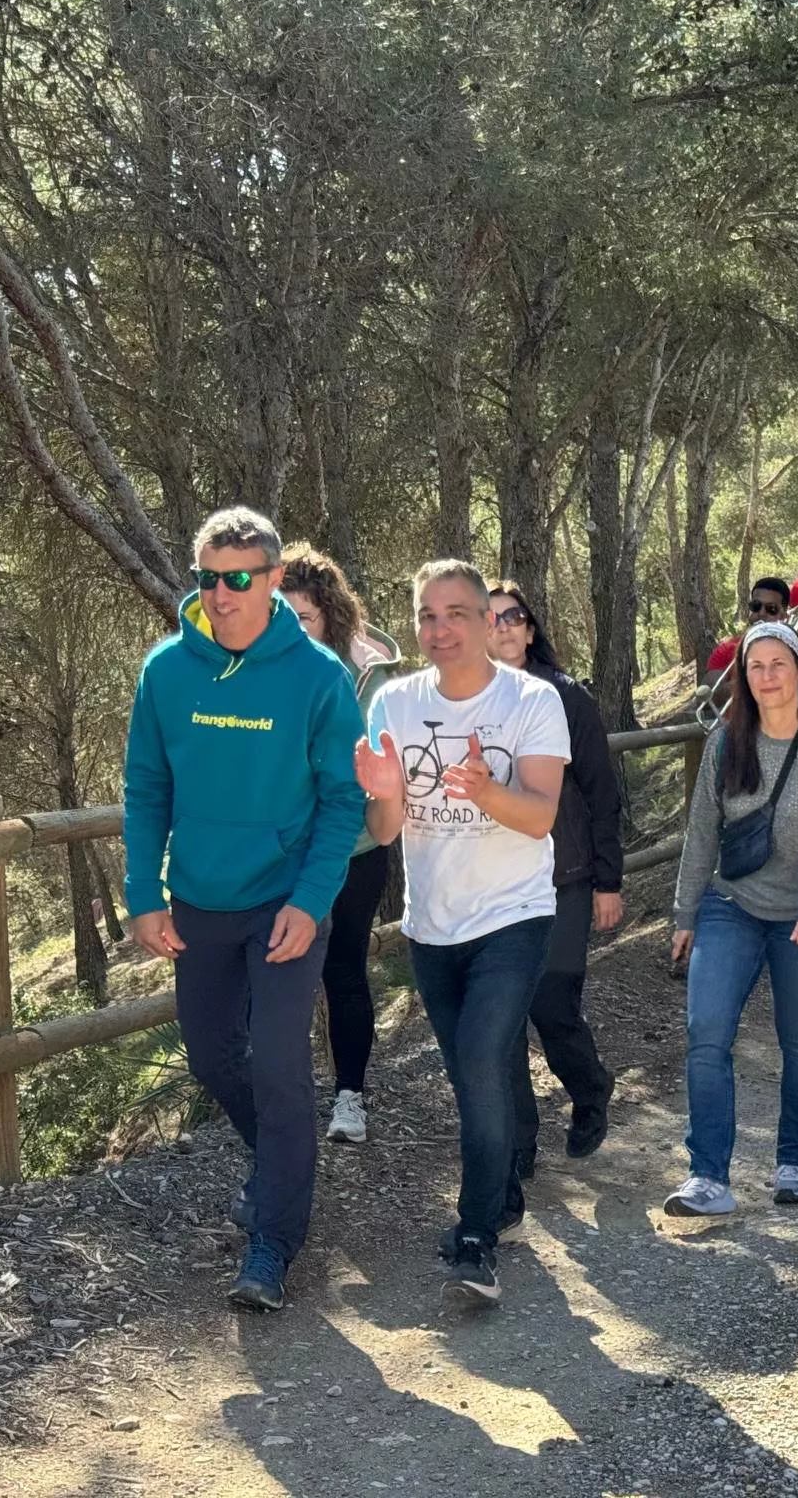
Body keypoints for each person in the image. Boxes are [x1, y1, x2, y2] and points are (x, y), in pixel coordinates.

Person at [123, 507, 365, 1312]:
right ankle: (283, 1171)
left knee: (277, 1063)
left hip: (284, 902)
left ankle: (272, 1241)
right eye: (206, 579)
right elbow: (147, 789)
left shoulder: (318, 677)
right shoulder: (166, 671)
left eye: (236, 579)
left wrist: (311, 899)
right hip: (198, 899)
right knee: (210, 1056)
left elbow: (341, 802)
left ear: (269, 580)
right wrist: (142, 894)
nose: (219, 595)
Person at [356, 561, 570, 1305]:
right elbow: (387, 829)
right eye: (426, 616)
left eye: (455, 614)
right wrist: (384, 796)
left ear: (487, 622)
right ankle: (504, 1186)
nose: (439, 630)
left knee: (480, 1061)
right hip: (432, 923)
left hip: (513, 914)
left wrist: (486, 789)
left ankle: (474, 1238)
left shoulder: (531, 700)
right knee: (471, 1072)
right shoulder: (395, 703)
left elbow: (540, 815)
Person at [667, 623, 798, 1215]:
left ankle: (794, 1164)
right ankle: (708, 1177)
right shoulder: (728, 742)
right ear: (743, 677)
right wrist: (685, 911)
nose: (768, 675)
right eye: (756, 666)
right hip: (732, 905)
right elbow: (702, 830)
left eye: (780, 663)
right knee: (706, 1036)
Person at [487, 581, 624, 1171]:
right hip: (492, 883)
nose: (504, 628)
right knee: (503, 1015)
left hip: (563, 876)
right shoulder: (466, 701)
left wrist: (607, 880)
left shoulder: (567, 698)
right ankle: (520, 1145)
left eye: (513, 617)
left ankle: (590, 1088)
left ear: (531, 627)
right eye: (490, 620)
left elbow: (602, 791)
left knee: (551, 1002)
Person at [278, 544, 402, 1147]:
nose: (292, 626)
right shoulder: (254, 670)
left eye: (303, 615)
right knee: (281, 969)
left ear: (329, 614)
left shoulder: (367, 672)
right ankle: (285, 1097)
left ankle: (349, 1095)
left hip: (353, 848)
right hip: (282, 850)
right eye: (282, 613)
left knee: (344, 968)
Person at [705, 578, 794, 692]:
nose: (761, 613)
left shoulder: (794, 650)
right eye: (756, 606)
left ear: (784, 615)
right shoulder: (726, 649)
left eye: (771, 609)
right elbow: (709, 700)